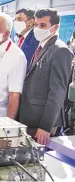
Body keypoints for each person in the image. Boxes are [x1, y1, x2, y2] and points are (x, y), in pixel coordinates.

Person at [19, 9, 73, 145]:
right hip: (29, 118)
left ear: (55, 27)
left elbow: (58, 92)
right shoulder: (41, 47)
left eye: (42, 25)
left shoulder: (60, 50)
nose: (37, 29)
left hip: (41, 122)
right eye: (36, 25)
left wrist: (46, 126)